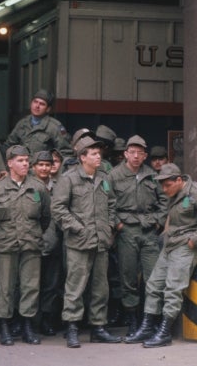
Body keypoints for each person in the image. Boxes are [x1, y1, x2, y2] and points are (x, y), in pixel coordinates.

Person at [124, 163, 197, 348]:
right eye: (162, 185)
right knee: (153, 285)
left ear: (179, 180)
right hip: (170, 245)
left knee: (173, 289)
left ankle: (164, 332)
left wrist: (195, 240)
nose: (164, 189)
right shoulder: (174, 193)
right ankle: (147, 327)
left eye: (167, 185)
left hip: (185, 246)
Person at [52, 136, 121, 348]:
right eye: (93, 154)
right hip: (78, 242)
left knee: (101, 287)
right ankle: (72, 327)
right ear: (82, 157)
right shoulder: (69, 178)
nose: (98, 156)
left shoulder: (104, 177)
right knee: (75, 286)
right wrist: (77, 227)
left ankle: (98, 327)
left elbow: (112, 204)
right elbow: (58, 209)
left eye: (99, 153)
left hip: (101, 241)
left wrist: (109, 226)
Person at [0, 145, 52, 346]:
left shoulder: (38, 188)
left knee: (30, 286)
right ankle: (5, 326)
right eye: (21, 161)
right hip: (7, 244)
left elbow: (45, 217)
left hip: (31, 243)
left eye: (26, 160)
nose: (25, 164)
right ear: (10, 163)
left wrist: (35, 233)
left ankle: (27, 326)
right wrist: (2, 233)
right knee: (6, 287)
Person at [107, 135, 168, 337]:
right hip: (127, 231)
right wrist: (118, 224)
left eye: (139, 153)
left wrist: (159, 222)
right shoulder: (114, 176)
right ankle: (132, 320)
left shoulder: (151, 175)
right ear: (125, 154)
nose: (135, 156)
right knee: (129, 277)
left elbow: (163, 201)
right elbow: (108, 203)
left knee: (153, 278)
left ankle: (152, 320)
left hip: (149, 231)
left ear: (144, 156)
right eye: (131, 152)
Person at [32, 150, 65, 336]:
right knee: (28, 284)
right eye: (41, 165)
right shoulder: (28, 185)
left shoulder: (60, 185)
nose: (45, 168)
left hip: (54, 242)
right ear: (34, 167)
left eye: (48, 164)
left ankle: (46, 320)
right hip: (33, 242)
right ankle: (24, 321)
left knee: (51, 284)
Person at [3, 89, 73, 158]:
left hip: (44, 167)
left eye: (42, 104)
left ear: (48, 109)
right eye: (35, 102)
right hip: (23, 166)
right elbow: (8, 146)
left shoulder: (55, 127)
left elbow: (66, 153)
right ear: (31, 103)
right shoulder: (22, 123)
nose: (37, 106)